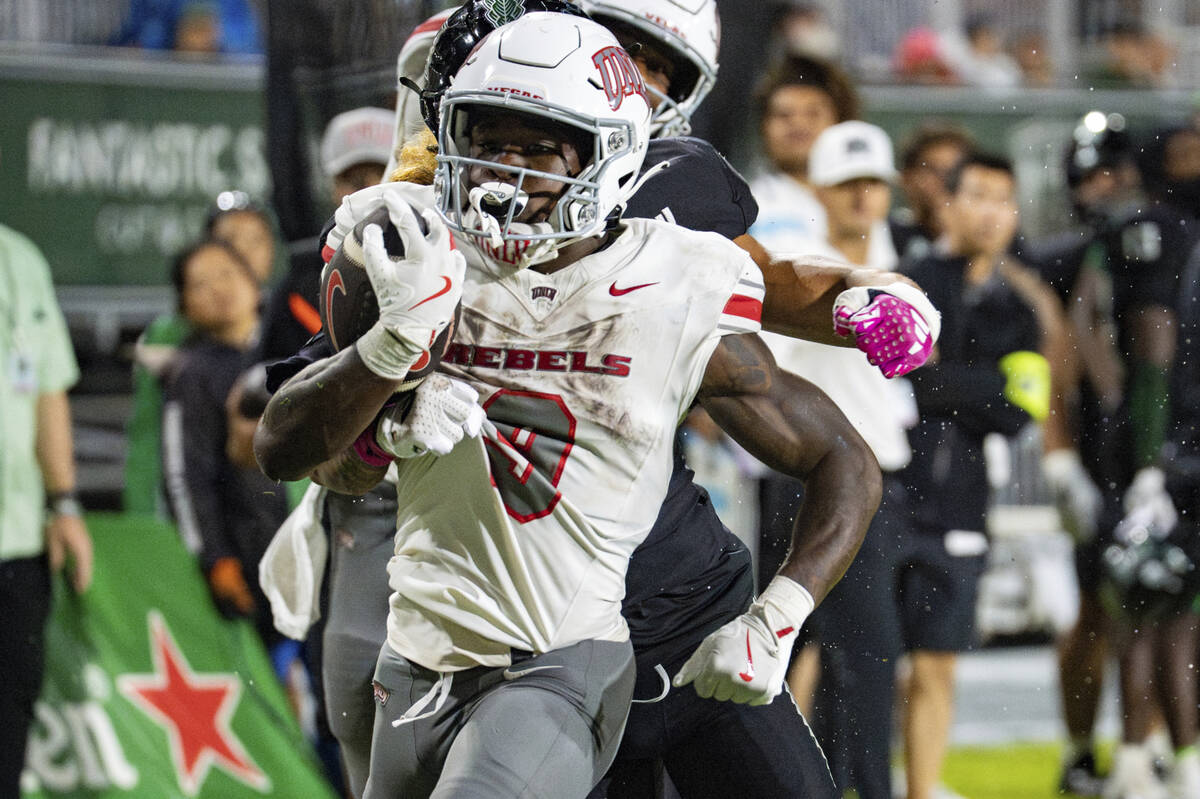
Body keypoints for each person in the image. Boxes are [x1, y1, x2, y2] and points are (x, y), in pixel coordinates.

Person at [280, 3, 940, 797]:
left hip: (672, 607)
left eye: (663, 69)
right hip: (487, 622)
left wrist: (865, 294)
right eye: (630, 52)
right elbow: (312, 426)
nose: (644, 80)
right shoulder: (420, 233)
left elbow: (771, 289)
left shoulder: (674, 215)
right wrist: (387, 404)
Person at [1029, 116, 1198, 799]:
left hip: (1149, 451)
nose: (1108, 186)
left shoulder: (1163, 237)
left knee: (1163, 604)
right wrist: (1060, 452)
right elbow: (1069, 346)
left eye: (1115, 171)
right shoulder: (1092, 250)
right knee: (1116, 609)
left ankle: (1153, 748)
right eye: (1092, 175)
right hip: (1120, 457)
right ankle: (1093, 752)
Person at [901, 151, 1072, 799]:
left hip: (962, 509)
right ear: (949, 202)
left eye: (1004, 199)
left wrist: (941, 378)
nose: (991, 211)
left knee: (938, 665)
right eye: (977, 195)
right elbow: (903, 378)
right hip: (887, 498)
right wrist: (979, 383)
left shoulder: (1018, 307)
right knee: (856, 662)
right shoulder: (910, 281)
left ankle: (921, 788)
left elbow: (1016, 411)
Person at [754, 120, 915, 799]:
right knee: (832, 653)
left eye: (873, 183)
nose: (862, 196)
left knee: (839, 657)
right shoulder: (802, 268)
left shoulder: (887, 252)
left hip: (876, 474)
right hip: (813, 480)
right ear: (817, 188)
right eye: (848, 184)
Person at [161, 237, 293, 672]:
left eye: (227, 274)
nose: (219, 288)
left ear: (255, 284)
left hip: (309, 551)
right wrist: (215, 558)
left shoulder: (293, 352)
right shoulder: (192, 374)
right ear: (184, 306)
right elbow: (186, 476)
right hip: (250, 560)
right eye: (201, 283)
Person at [0, 223, 93, 798]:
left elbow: (46, 388)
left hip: (17, 543)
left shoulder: (19, 259)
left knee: (9, 722)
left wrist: (63, 501)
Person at [124, 192, 278, 514]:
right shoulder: (171, 334)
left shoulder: (288, 321)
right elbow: (153, 440)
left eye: (256, 240)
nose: (244, 252)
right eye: (230, 239)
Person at [748, 53, 860, 253]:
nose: (798, 124)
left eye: (813, 114)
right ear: (764, 127)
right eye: (784, 115)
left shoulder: (867, 201)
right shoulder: (747, 207)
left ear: (840, 122)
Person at [889, 121, 975, 263]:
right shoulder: (887, 235)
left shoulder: (993, 237)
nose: (946, 181)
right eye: (933, 170)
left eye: (955, 171)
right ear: (907, 178)